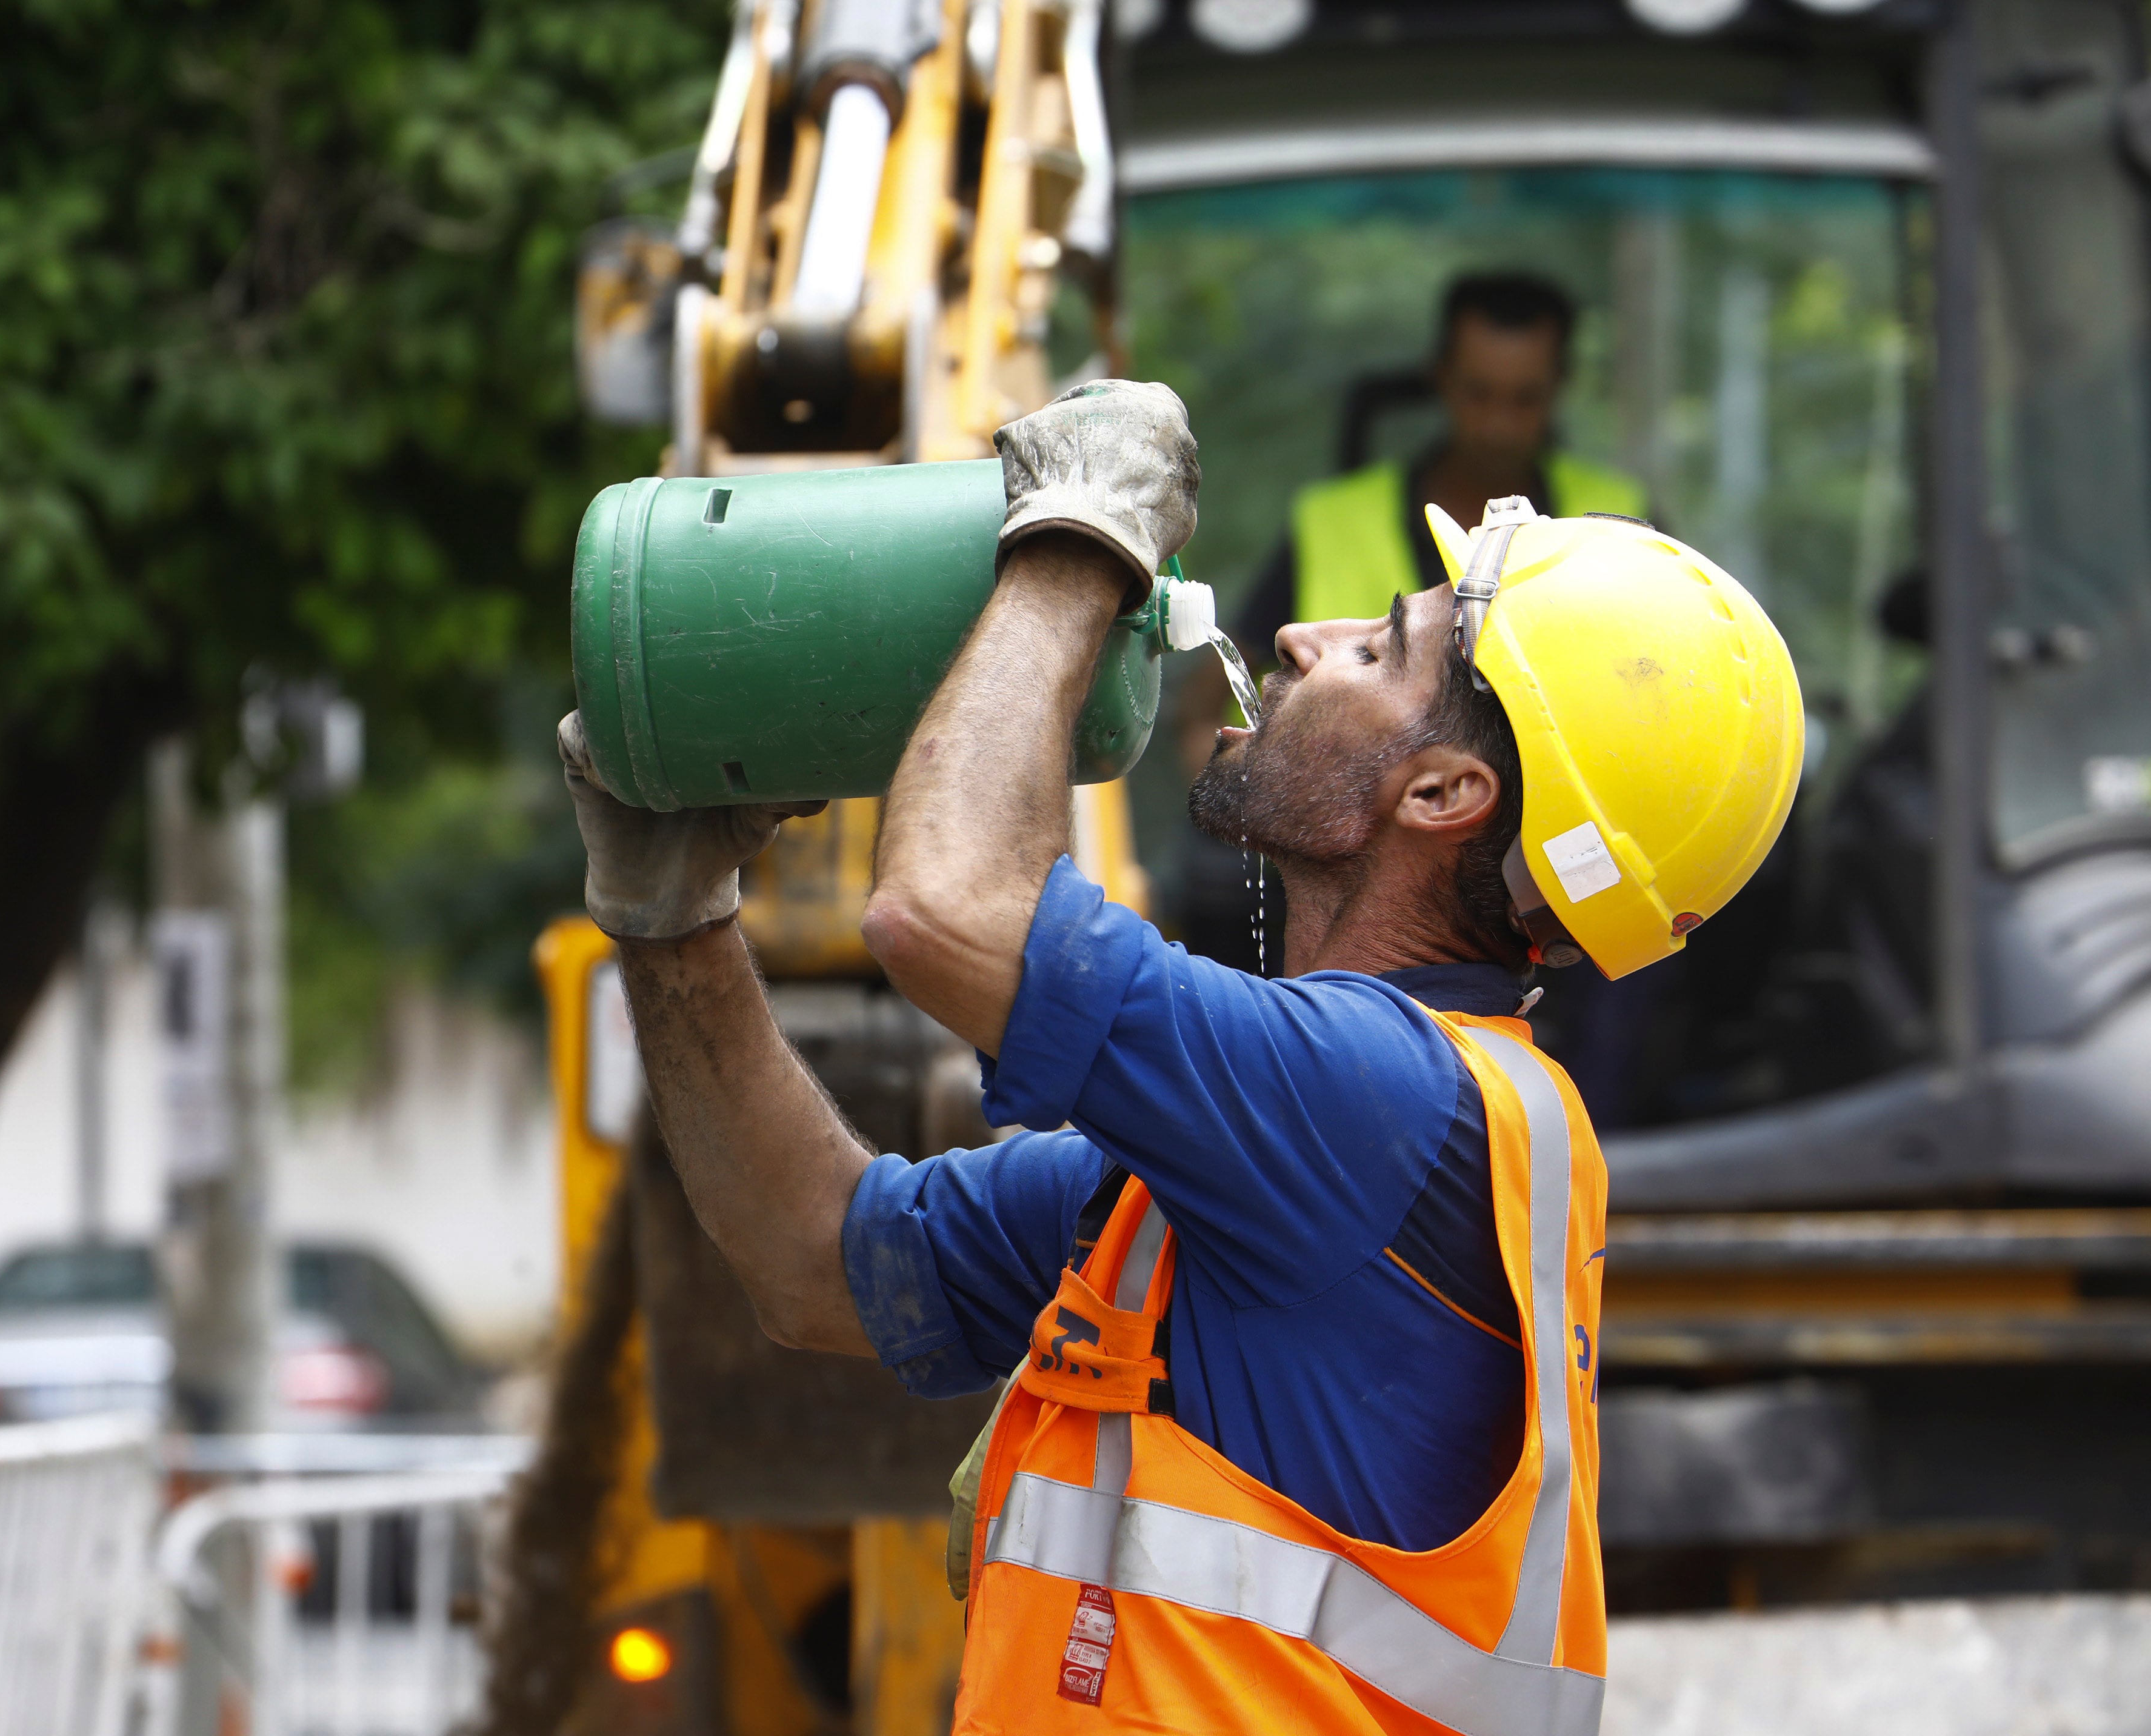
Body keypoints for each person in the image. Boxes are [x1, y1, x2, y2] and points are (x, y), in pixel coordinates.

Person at [559, 380, 1800, 1732]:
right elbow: (820, 1266)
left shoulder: (1377, 1102)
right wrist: (676, 928)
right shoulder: (1283, 1158)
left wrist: (1078, 541)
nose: (1299, 637)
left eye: (1381, 649)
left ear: (1444, 796)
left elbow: (947, 910)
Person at [1235, 272, 1648, 661]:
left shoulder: (1624, 523)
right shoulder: (1328, 523)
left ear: (1561, 385)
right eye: (1479, 393)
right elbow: (1219, 685)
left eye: (1525, 398)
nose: (1498, 426)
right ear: (1441, 377)